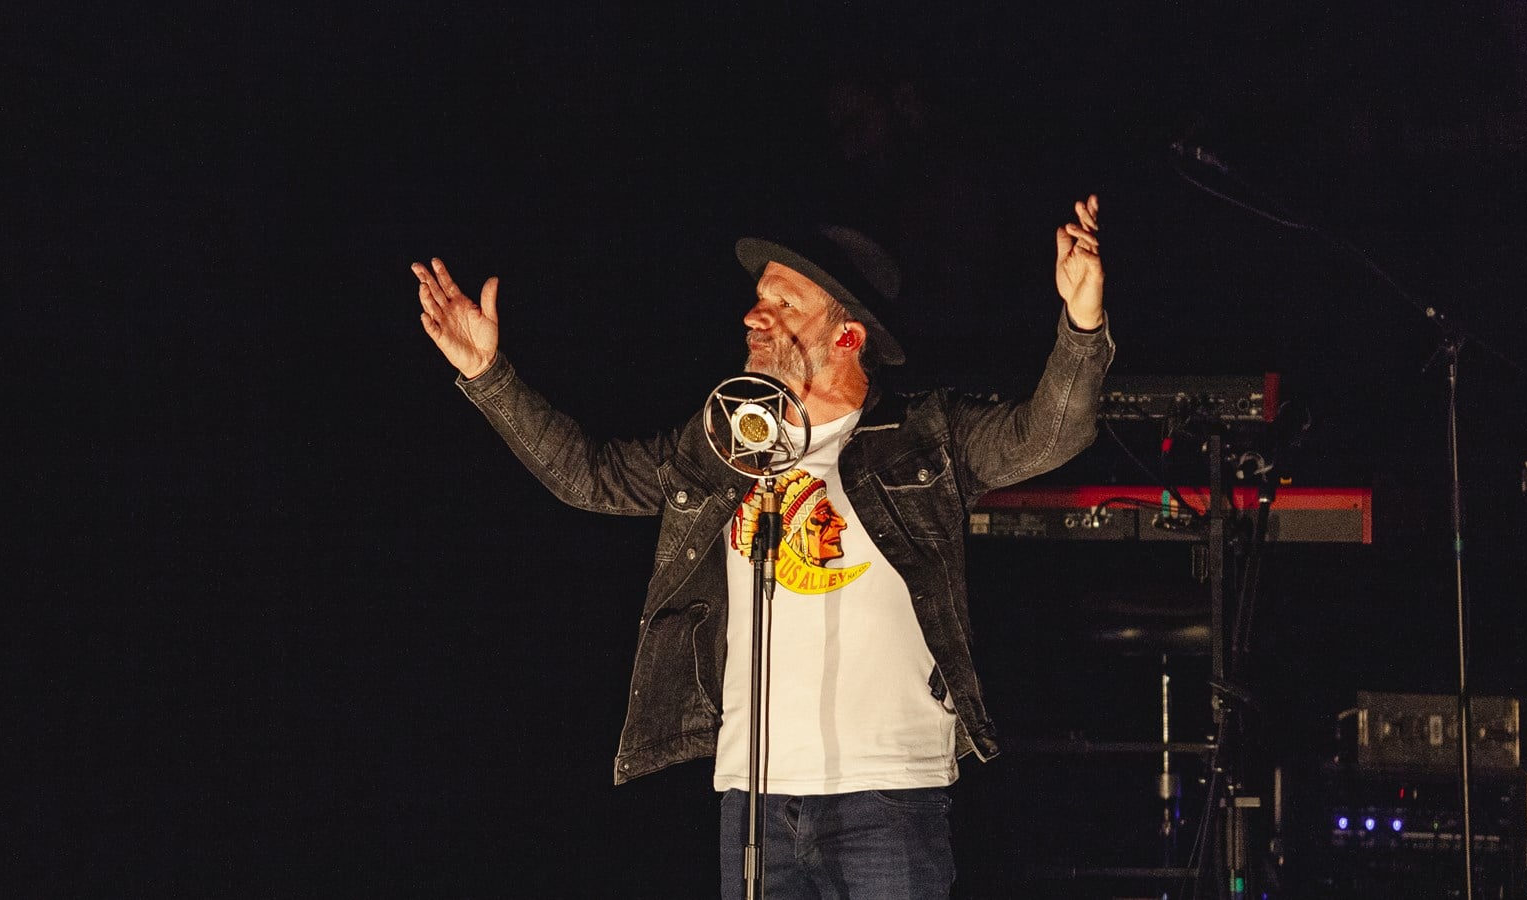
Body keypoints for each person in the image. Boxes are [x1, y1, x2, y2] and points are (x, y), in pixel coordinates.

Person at [413, 195, 1111, 899]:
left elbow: (1049, 435)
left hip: (887, 792)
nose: (754, 315)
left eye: (783, 303)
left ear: (848, 336)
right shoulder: (726, 442)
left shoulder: (924, 436)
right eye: (757, 300)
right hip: (754, 795)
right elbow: (591, 477)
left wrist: (1081, 326)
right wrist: (489, 376)